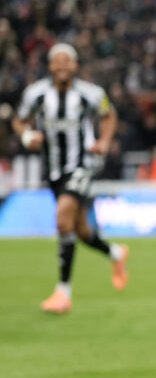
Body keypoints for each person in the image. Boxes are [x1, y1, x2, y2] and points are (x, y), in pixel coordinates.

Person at [12, 43, 129, 313]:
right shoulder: (36, 94)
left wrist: (104, 140)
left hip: (82, 164)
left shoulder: (91, 93)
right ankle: (116, 254)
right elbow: (19, 120)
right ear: (50, 66)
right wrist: (26, 135)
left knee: (63, 219)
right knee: (79, 229)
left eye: (67, 61)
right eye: (57, 61)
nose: (62, 65)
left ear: (75, 66)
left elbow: (109, 115)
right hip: (53, 170)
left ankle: (63, 293)